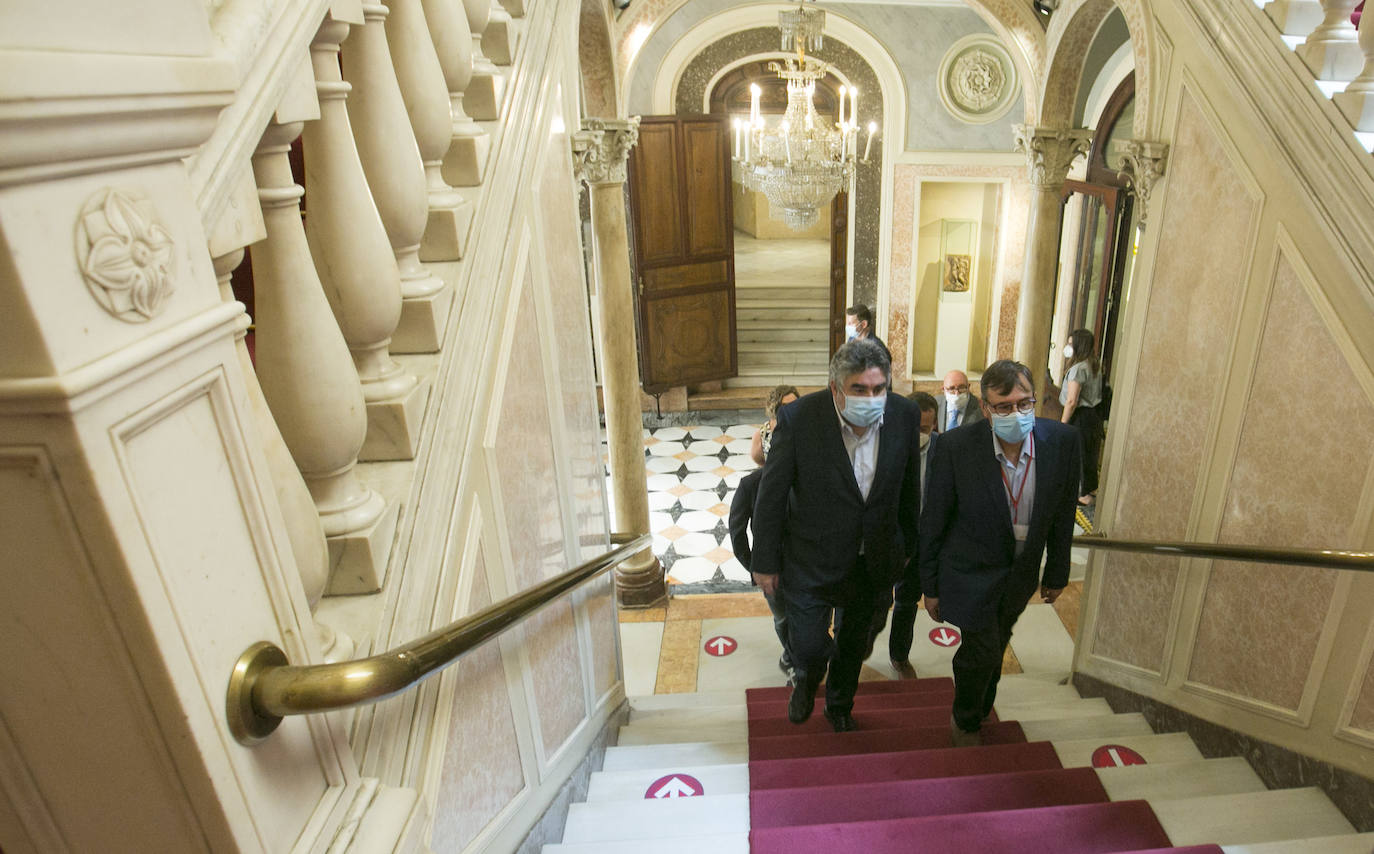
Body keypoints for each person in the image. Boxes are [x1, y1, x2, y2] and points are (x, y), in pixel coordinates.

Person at [751, 338, 923, 732]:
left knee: (853, 646)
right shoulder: (800, 419)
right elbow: (771, 494)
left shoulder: (905, 415)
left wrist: (908, 548)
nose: (871, 397)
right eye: (859, 389)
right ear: (835, 388)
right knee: (810, 648)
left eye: (879, 389)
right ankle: (807, 680)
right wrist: (765, 562)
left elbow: (910, 488)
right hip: (810, 560)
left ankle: (839, 706)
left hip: (872, 560)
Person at [918, 359, 1082, 747]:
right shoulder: (956, 447)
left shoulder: (1062, 442)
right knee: (981, 648)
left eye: (1024, 403)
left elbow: (1062, 516)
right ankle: (966, 720)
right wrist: (930, 585)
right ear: (986, 407)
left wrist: (1057, 574)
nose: (1016, 413)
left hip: (1020, 574)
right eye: (1004, 406)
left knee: (996, 640)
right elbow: (934, 521)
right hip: (969, 574)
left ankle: (979, 705)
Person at [866, 391, 939, 678]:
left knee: (907, 604)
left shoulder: (944, 451)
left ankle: (899, 656)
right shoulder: (883, 446)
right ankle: (864, 640)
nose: (919, 434)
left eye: (926, 429)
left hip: (921, 543)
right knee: (877, 601)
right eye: (915, 427)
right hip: (885, 540)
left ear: (934, 426)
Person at [733, 384, 801, 680]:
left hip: (805, 562)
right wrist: (754, 567)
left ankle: (804, 657)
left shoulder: (808, 481)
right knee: (783, 616)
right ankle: (793, 655)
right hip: (772, 566)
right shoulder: (752, 485)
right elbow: (737, 533)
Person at [1059, 328, 1105, 506]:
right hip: (1093, 416)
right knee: (1088, 453)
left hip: (1079, 415)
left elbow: (1071, 400)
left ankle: (1081, 494)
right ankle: (1088, 490)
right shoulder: (1094, 364)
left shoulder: (1078, 368)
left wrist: (1062, 425)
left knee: (1078, 454)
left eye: (1071, 344)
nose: (1068, 347)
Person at [750, 384, 801, 467]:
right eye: (785, 406)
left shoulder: (805, 427)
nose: (791, 410)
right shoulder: (762, 436)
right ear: (775, 408)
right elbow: (759, 460)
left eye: (794, 404)